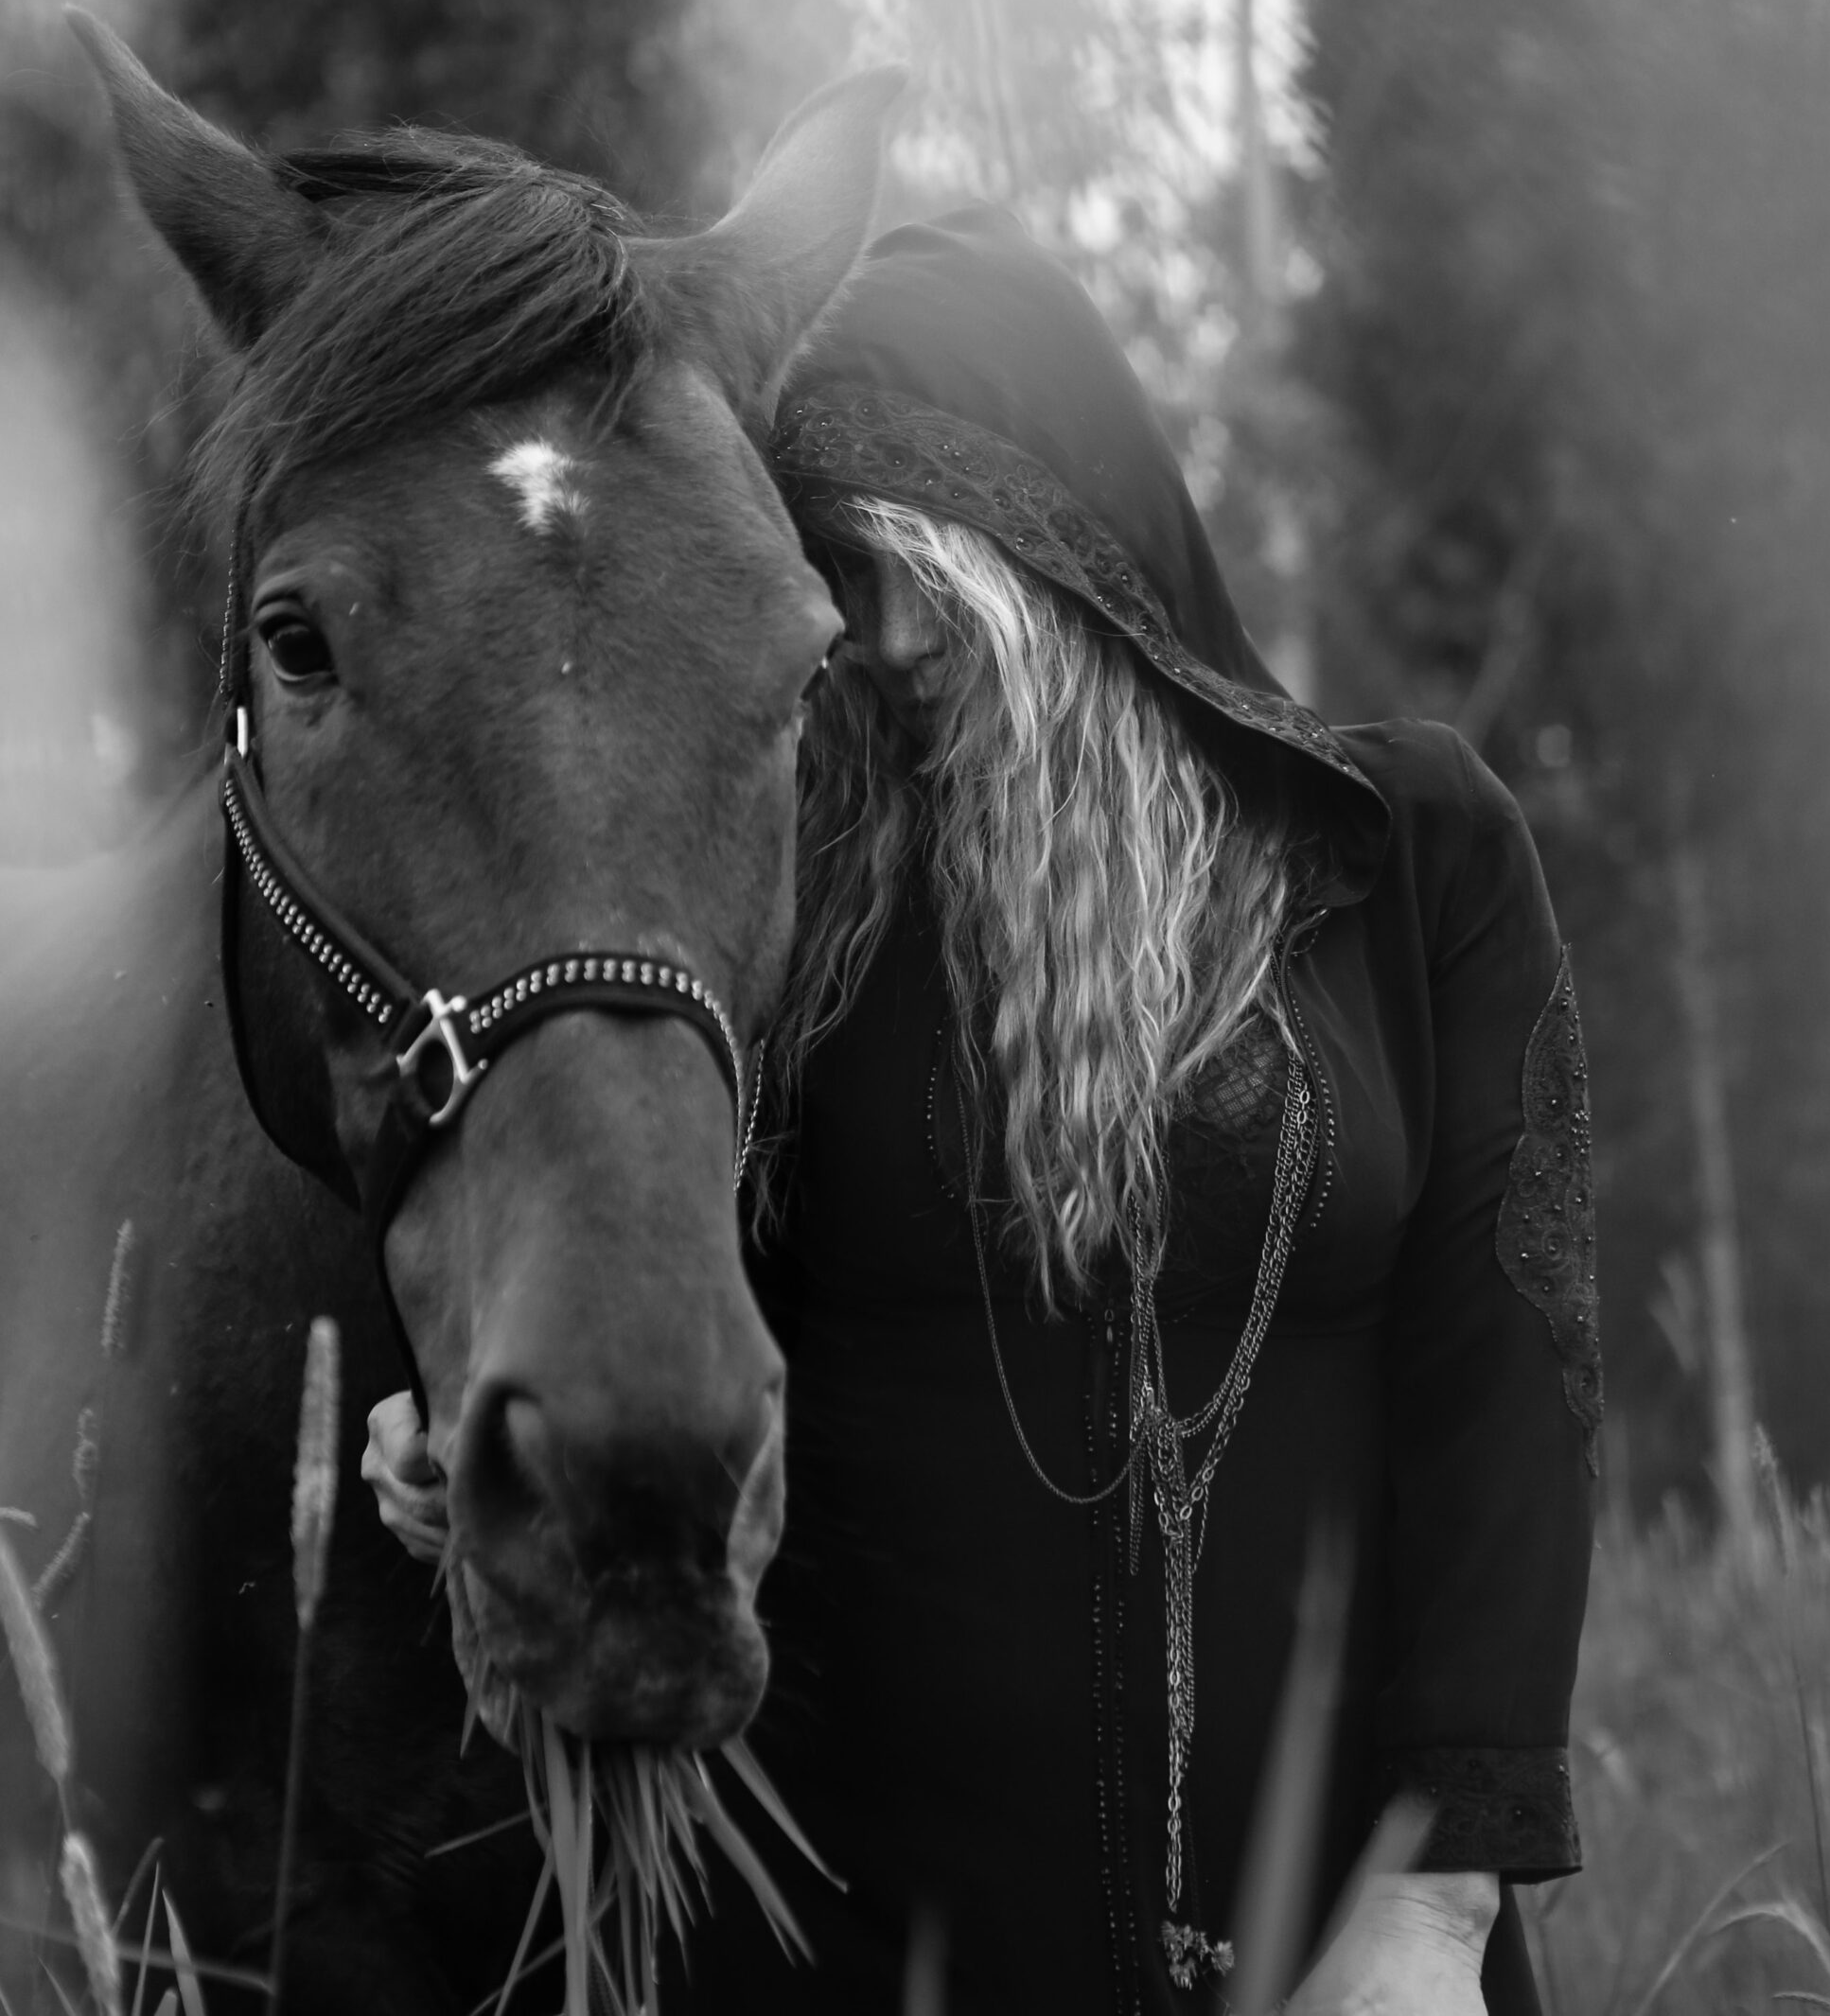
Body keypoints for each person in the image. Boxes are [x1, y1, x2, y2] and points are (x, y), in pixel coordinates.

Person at [366, 209, 1598, 2015]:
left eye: (915, 562)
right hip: (850, 1948)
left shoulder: (1402, 855)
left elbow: (1511, 1383)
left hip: (1349, 1952)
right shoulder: (794, 893)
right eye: (833, 570)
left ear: (1067, 542)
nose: (877, 637)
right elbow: (619, 1189)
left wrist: (1437, 1906)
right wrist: (479, 1377)